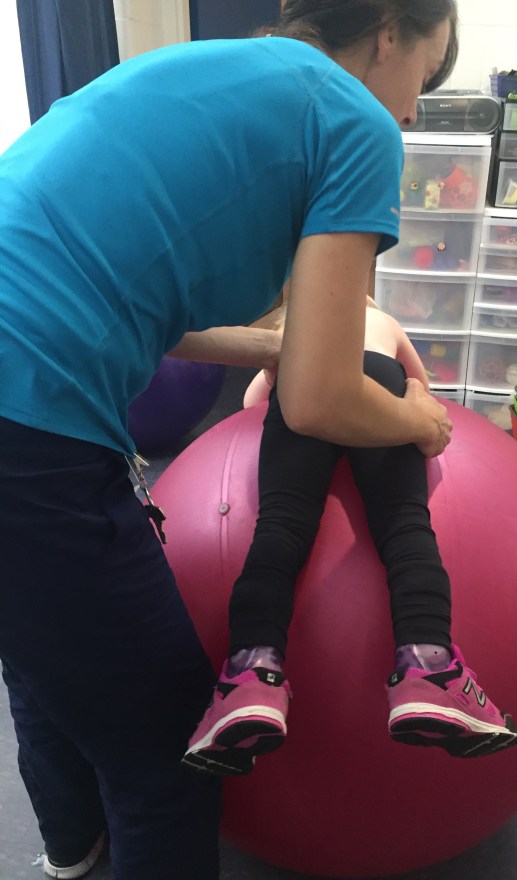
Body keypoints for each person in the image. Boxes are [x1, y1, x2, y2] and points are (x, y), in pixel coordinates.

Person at [0, 2, 460, 878]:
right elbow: (322, 402)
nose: (411, 109)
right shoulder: (355, 119)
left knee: (44, 648)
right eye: (425, 77)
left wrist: (280, 349)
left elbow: (147, 301)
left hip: (20, 384)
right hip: (28, 417)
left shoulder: (215, 70)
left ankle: (74, 851)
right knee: (167, 736)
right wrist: (419, 420)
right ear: (389, 32)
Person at [183, 298, 517, 776]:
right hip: (380, 381)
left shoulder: (293, 327)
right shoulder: (386, 322)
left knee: (280, 526)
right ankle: (429, 665)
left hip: (303, 381)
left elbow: (250, 404)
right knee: (404, 523)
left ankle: (249, 675)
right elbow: (420, 384)